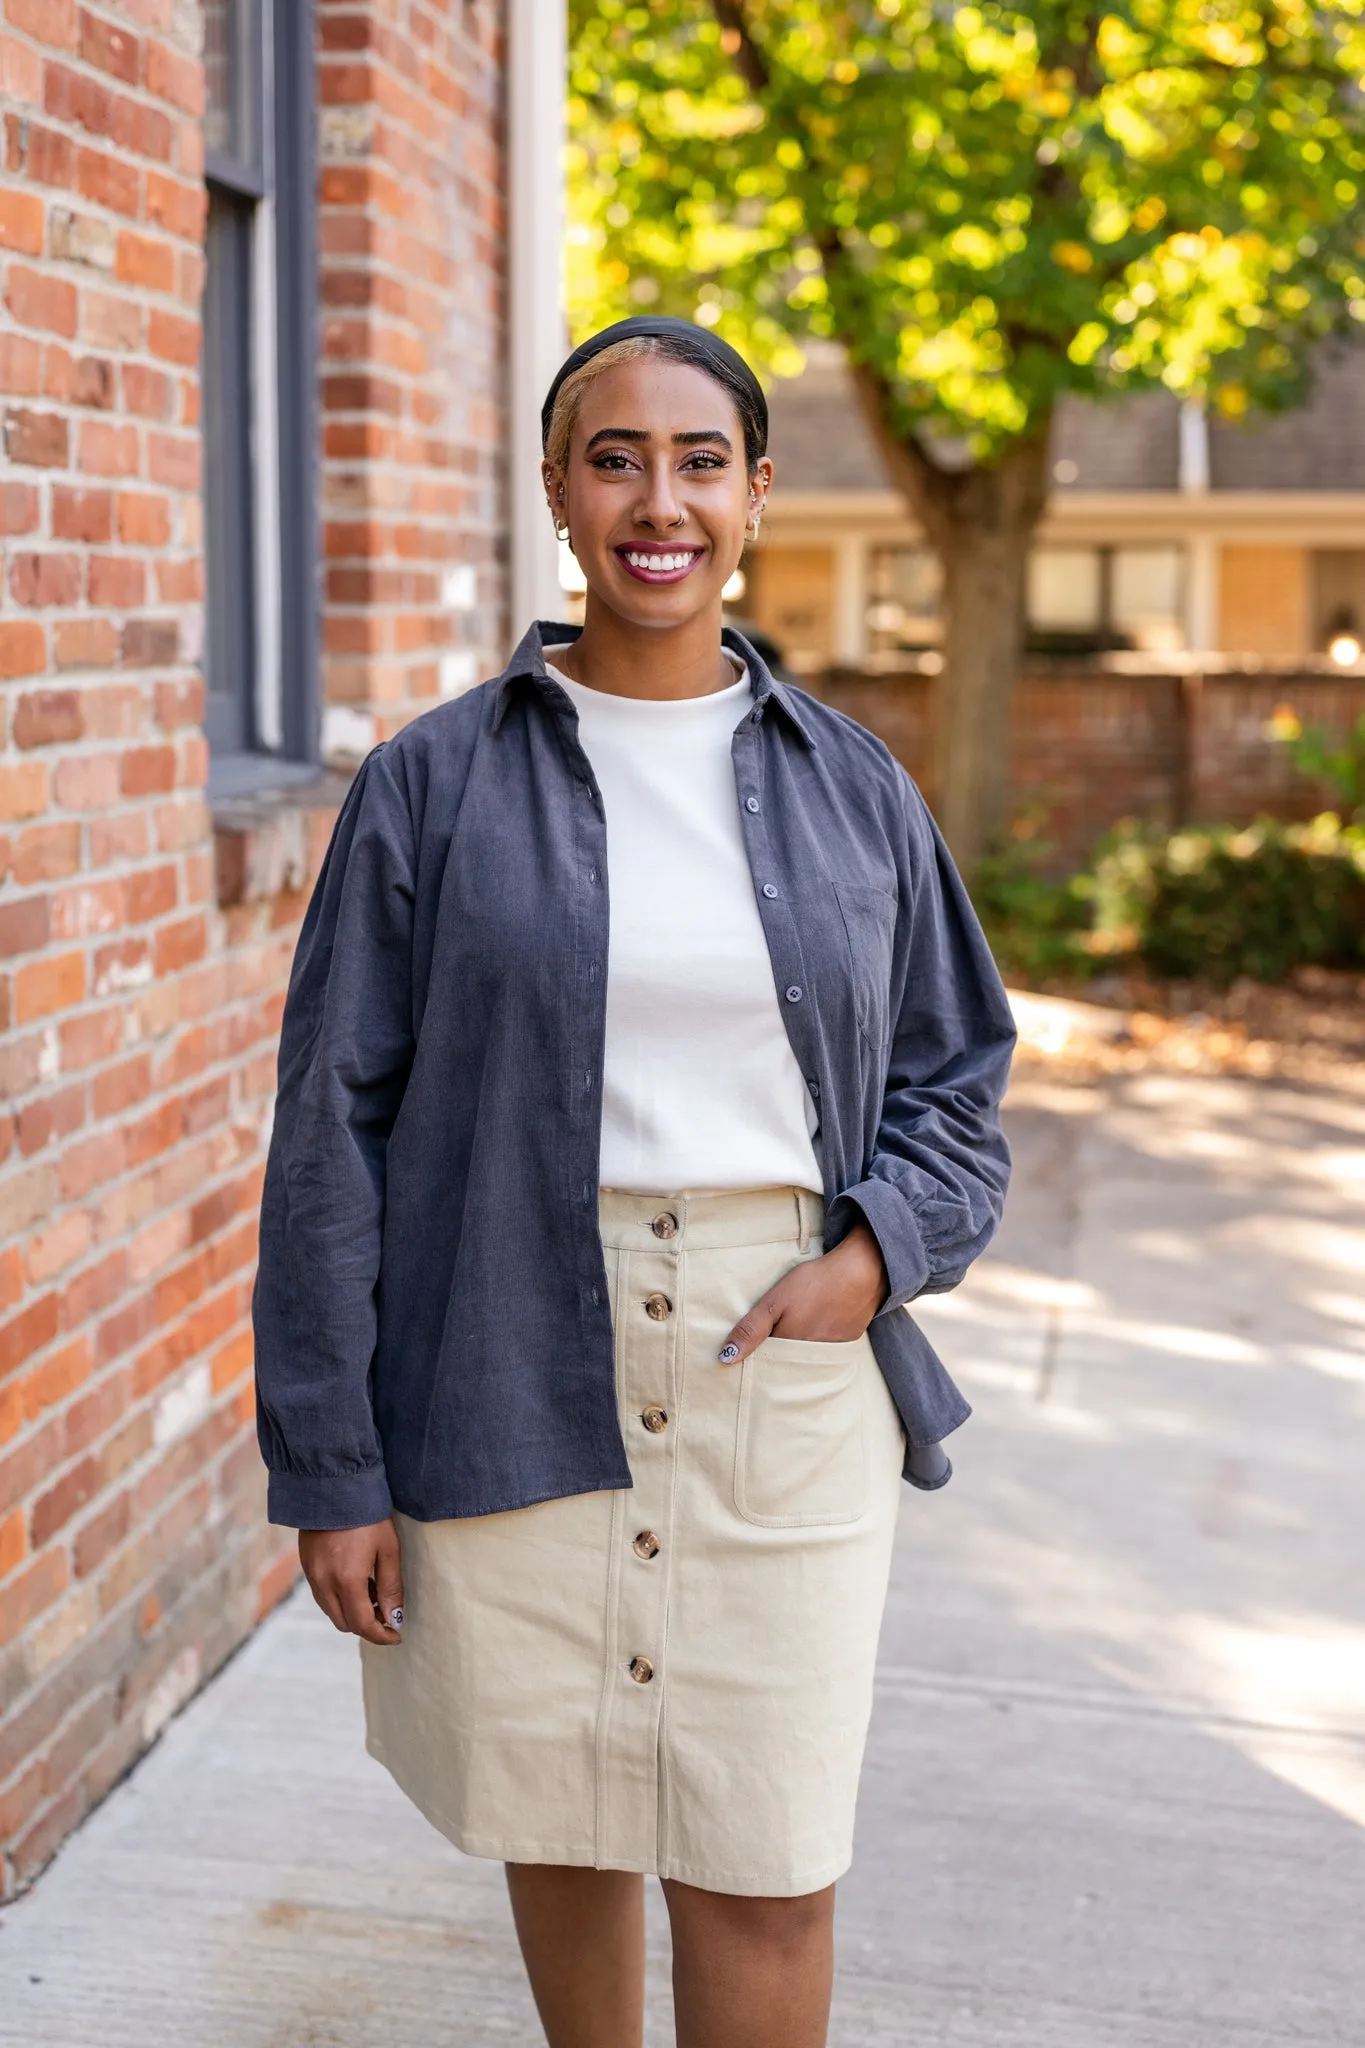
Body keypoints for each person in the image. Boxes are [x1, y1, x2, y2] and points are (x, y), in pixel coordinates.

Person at [253, 315, 1015, 2048]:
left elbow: (958, 1080)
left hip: (786, 1362)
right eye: (614, 457)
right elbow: (329, 1141)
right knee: (566, 1816)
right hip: (508, 1339)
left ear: (756, 490)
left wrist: (879, 1258)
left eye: (697, 461)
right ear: (555, 490)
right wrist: (332, 1463)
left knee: (765, 1853)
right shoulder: (431, 784)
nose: (656, 500)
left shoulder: (857, 792)